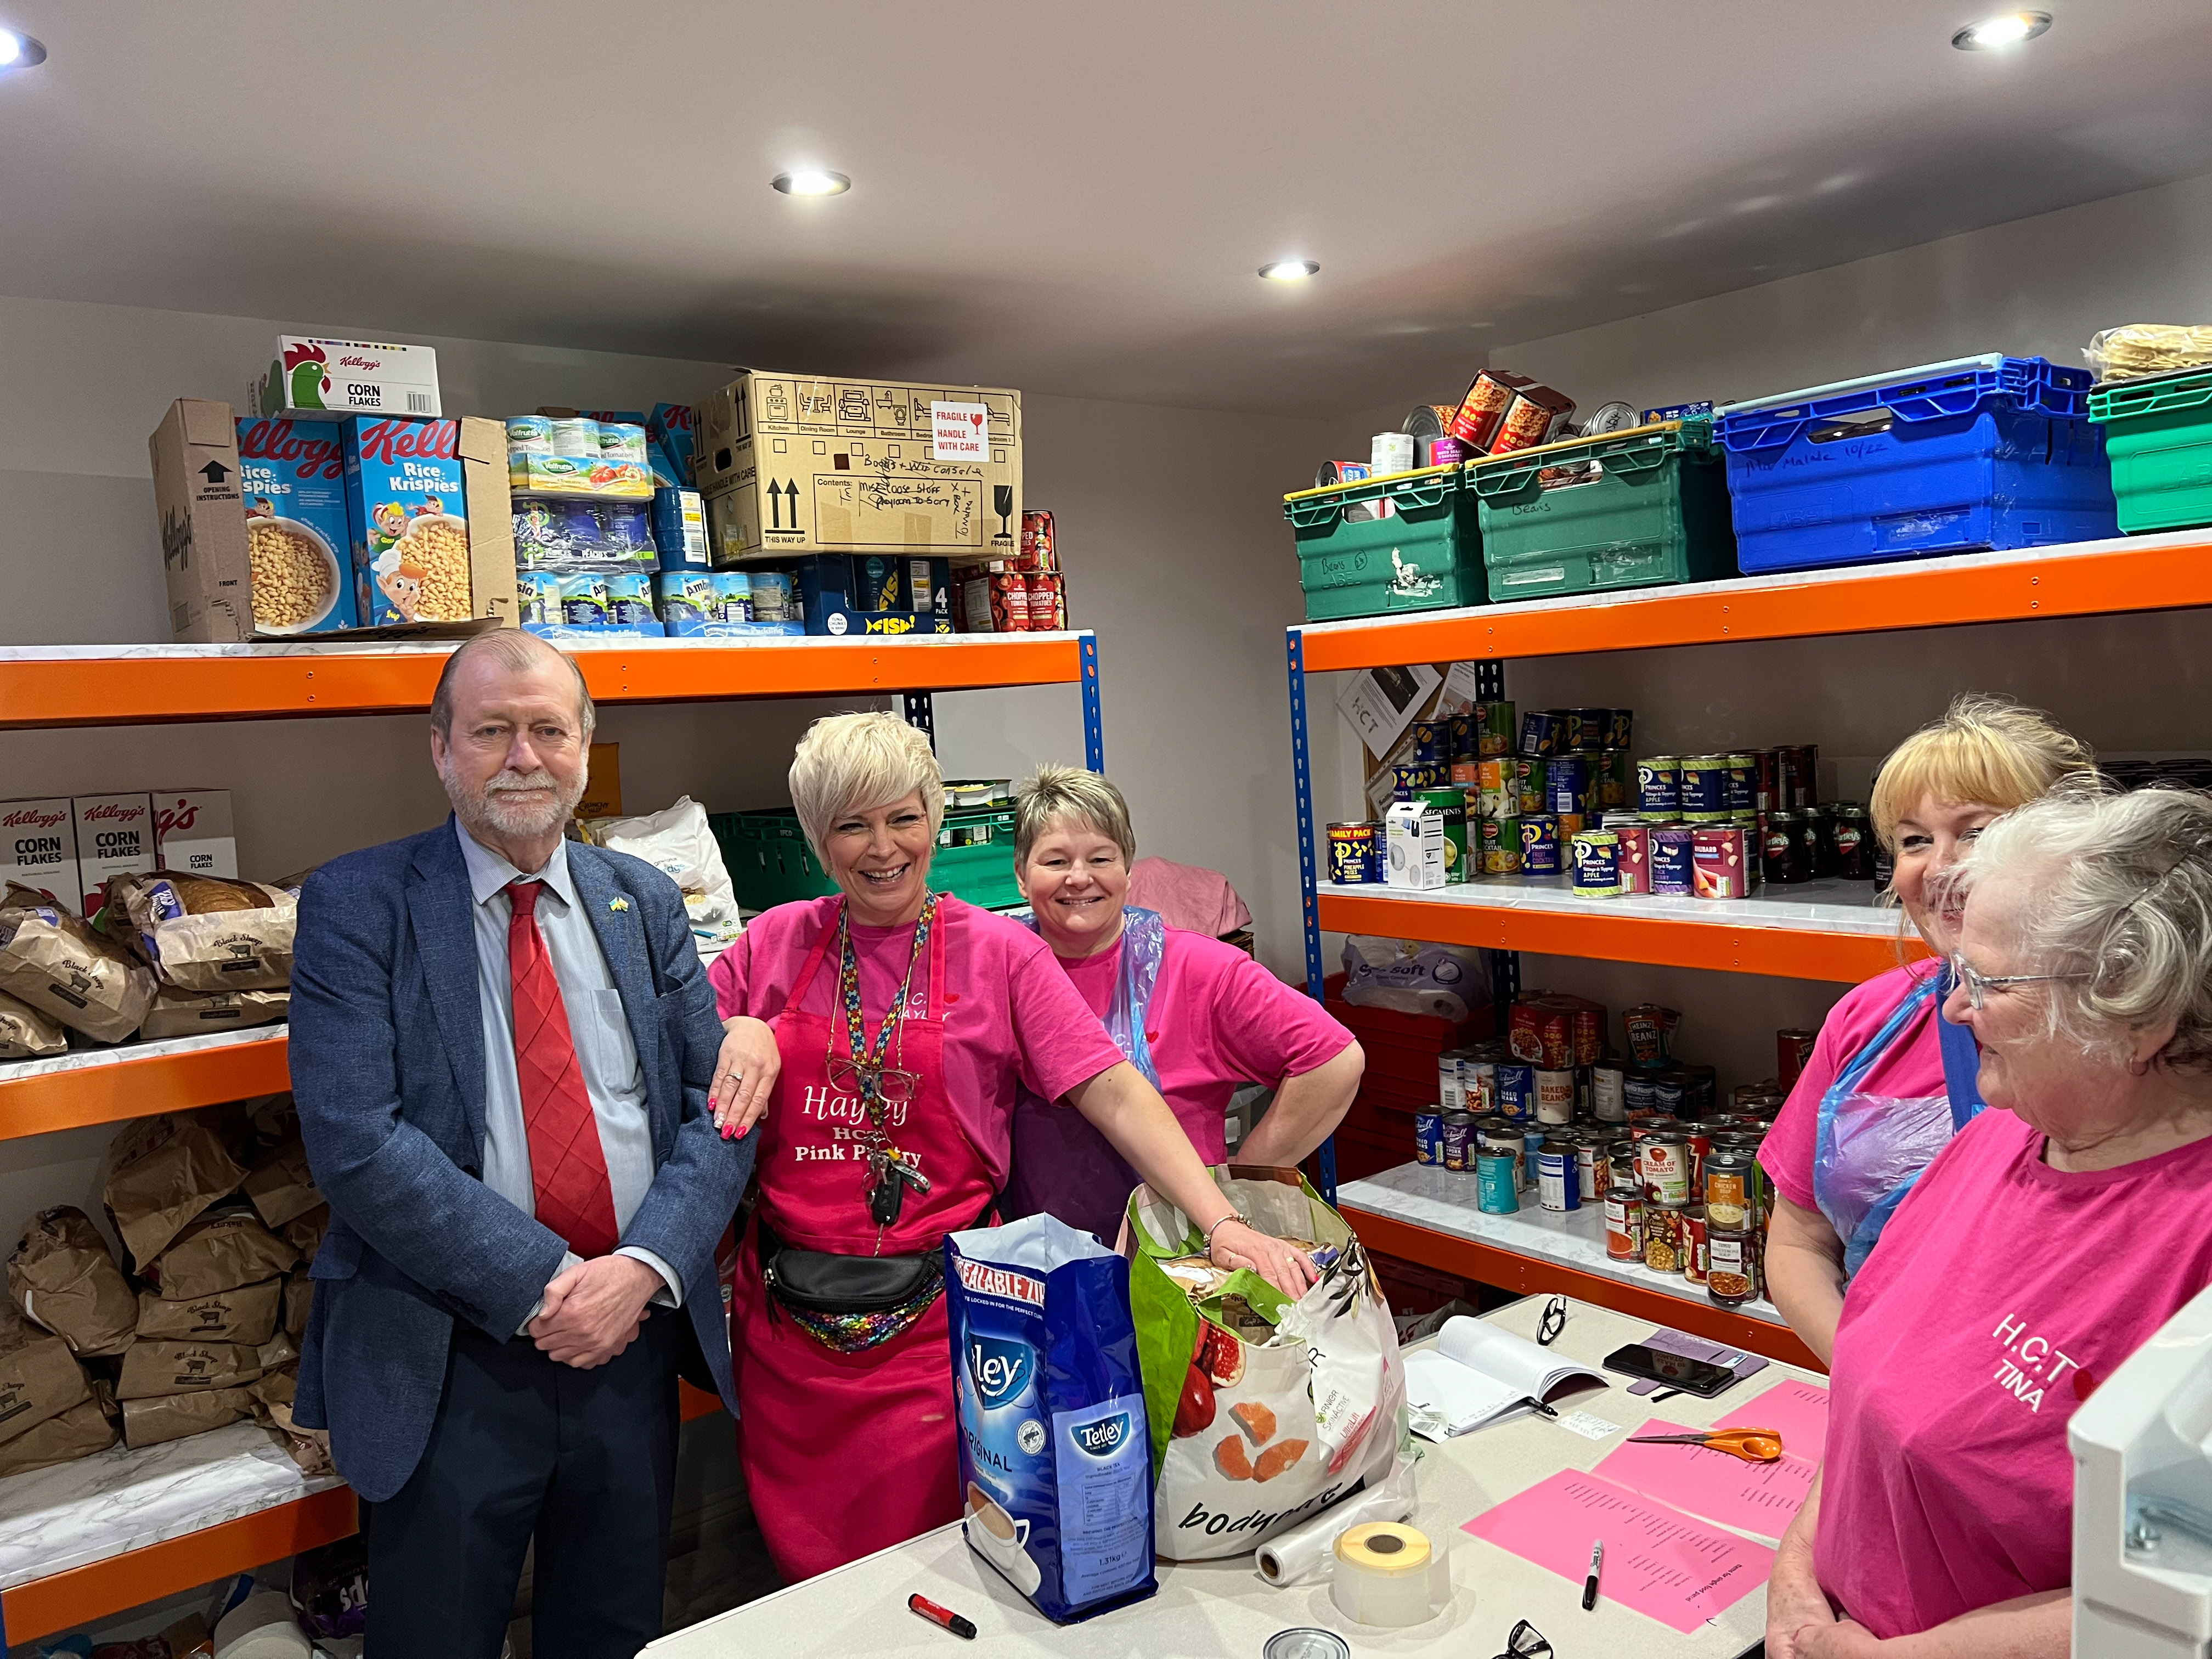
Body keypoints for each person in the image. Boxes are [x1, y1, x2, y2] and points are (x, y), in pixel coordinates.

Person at [703, 714, 1316, 1583]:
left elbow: (1115, 1091)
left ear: (935, 818)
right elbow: (675, 1052)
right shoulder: (773, 945)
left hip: (946, 1337)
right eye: (852, 824)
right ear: (817, 838)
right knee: (813, 1597)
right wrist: (737, 1028)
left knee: (951, 1576)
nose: (883, 848)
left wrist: (1221, 1220)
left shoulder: (999, 954)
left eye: (902, 817)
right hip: (787, 1337)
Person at [289, 630, 749, 1658]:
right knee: (437, 1635)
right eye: (492, 730)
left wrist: (637, 1272)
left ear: (584, 745)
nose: (523, 755)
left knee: (614, 1626)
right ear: (442, 750)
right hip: (449, 1348)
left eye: (548, 728)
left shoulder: (643, 898)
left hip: (629, 1342)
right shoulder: (358, 904)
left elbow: (713, 1108)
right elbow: (355, 1141)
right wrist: (551, 1285)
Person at [1766, 786, 2212, 1658]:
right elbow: (1879, 1402)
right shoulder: (2002, 1138)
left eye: (1988, 980)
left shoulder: (2191, 1243)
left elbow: (2184, 1585)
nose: (1955, 1010)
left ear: (2141, 1011)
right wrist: (1797, 1573)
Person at [1759, 695, 2094, 1364]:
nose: (1938, 867)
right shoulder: (1868, 1019)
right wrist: (1873, 1379)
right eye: (1915, 840)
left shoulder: (2128, 1035)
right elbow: (1797, 1241)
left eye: (1978, 832)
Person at [1000, 765, 1363, 1240]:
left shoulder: (1198, 968)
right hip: (1037, 1263)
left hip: (1177, 1262)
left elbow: (1334, 1061)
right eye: (1055, 862)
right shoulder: (1000, 967)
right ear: (1022, 877)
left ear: (1128, 871)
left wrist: (1243, 1183)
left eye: (1101, 858)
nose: (1079, 878)